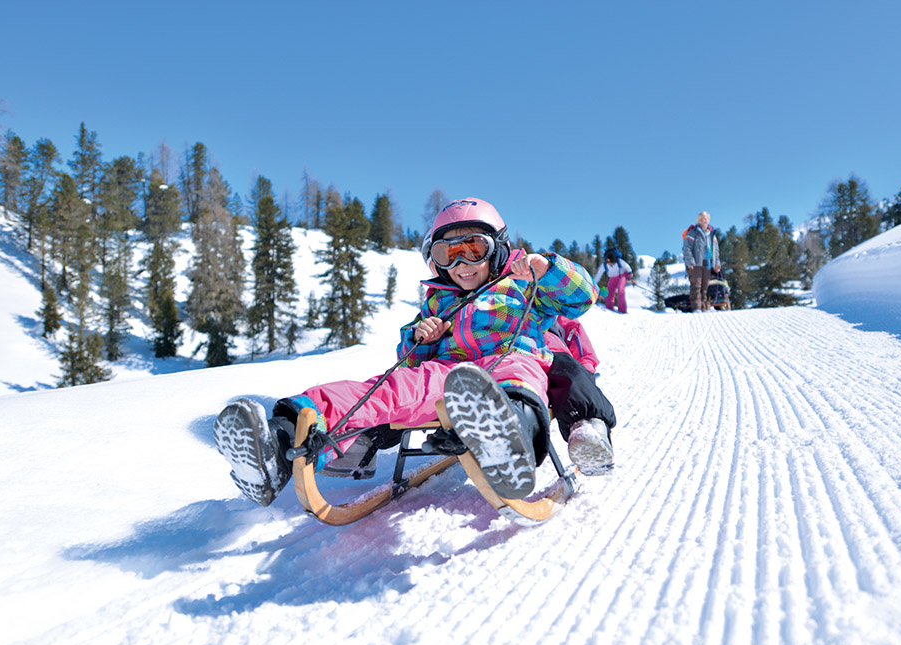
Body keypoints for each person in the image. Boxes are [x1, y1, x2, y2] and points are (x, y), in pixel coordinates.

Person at [213, 197, 598, 506]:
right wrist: (421, 337)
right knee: (386, 389)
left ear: (498, 249)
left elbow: (583, 297)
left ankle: (506, 443)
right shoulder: (438, 302)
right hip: (449, 375)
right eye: (449, 255)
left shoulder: (524, 287)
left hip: (509, 361)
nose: (462, 263)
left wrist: (546, 269)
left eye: (473, 249)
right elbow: (409, 358)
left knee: (516, 380)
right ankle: (278, 445)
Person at [543, 317, 616, 475]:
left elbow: (572, 331)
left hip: (548, 351)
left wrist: (584, 370)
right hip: (500, 354)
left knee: (569, 375)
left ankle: (588, 431)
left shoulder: (541, 299)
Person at [682, 211, 721, 312]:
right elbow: (687, 248)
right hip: (696, 263)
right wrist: (690, 261)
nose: (704, 221)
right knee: (696, 286)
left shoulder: (712, 235)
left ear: (708, 220)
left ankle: (704, 307)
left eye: (706, 219)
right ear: (698, 221)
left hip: (707, 263)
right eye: (701, 219)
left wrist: (717, 263)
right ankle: (696, 307)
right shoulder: (693, 233)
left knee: (704, 286)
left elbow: (716, 251)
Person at [592, 248, 633, 313]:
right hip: (612, 277)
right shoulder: (604, 265)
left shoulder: (619, 261)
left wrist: (631, 278)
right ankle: (609, 307)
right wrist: (593, 284)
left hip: (622, 274)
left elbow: (628, 267)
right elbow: (598, 276)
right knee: (609, 291)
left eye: (611, 262)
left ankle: (622, 310)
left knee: (620, 289)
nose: (609, 264)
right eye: (608, 262)